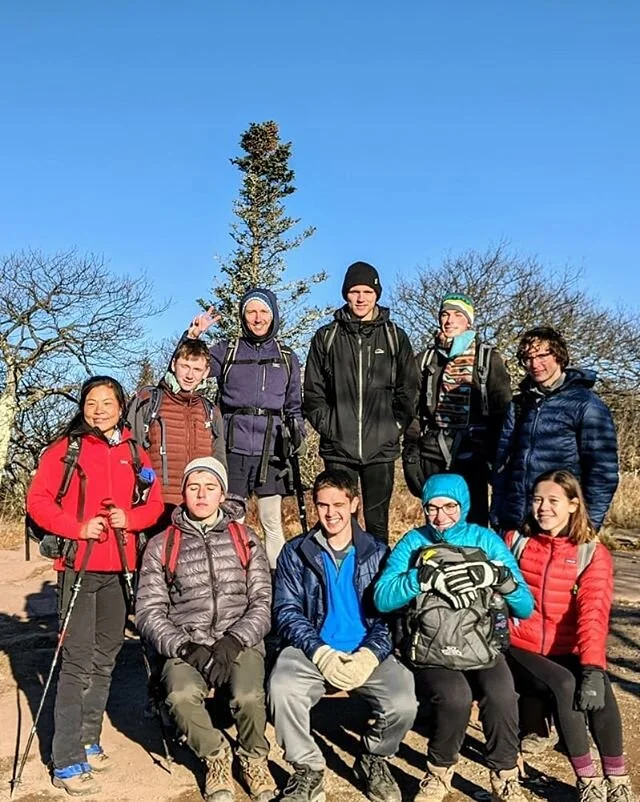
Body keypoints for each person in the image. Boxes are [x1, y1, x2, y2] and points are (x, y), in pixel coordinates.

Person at [26, 376, 164, 796]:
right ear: (83, 406)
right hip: (78, 565)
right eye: (91, 402)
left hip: (121, 566)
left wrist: (132, 519)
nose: (99, 409)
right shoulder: (65, 449)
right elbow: (38, 501)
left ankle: (88, 739)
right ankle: (65, 759)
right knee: (77, 661)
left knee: (106, 657)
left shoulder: (134, 451)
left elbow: (154, 501)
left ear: (122, 408)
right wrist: (77, 527)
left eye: (107, 402)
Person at [374, 473, 534, 802]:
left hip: (482, 643)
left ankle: (504, 774)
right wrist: (421, 579)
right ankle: (439, 772)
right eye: (431, 508)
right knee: (455, 697)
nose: (441, 517)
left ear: (465, 505)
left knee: (502, 694)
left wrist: (498, 576)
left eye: (450, 506)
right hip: (432, 646)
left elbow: (525, 607)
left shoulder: (486, 540)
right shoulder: (413, 542)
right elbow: (382, 597)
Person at [269, 468, 417, 802]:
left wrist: (370, 654)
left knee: (404, 701)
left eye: (338, 504)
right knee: (281, 688)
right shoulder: (296, 552)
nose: (330, 513)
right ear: (315, 505)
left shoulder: (379, 553)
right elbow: (287, 611)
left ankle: (374, 757)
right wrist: (319, 651)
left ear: (354, 504)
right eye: (322, 505)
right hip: (311, 649)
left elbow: (389, 613)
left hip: (366, 649)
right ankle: (308, 769)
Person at [136, 456, 276, 802]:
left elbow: (262, 601)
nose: (201, 494)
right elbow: (149, 612)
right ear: (183, 492)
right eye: (193, 487)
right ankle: (215, 756)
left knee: (249, 697)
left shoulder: (245, 538)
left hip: (239, 641)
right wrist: (184, 647)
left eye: (210, 487)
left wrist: (233, 641)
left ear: (222, 494)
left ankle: (254, 757)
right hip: (187, 643)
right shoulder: (161, 545)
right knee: (180, 696)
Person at [505, 470, 636, 802]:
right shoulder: (515, 542)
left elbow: (593, 613)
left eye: (553, 501)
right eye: (537, 500)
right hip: (521, 645)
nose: (543, 508)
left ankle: (618, 779)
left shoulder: (591, 553)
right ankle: (587, 781)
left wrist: (592, 667)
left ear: (573, 505)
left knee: (599, 686)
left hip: (566, 648)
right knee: (565, 685)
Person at [185, 287, 305, 570]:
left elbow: (295, 405)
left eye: (264, 311)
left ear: (274, 316)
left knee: (271, 521)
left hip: (273, 451)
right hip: (232, 450)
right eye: (251, 311)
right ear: (243, 315)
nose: (257, 318)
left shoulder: (287, 357)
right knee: (231, 519)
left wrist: (297, 432)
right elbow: (186, 372)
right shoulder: (227, 350)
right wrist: (192, 337)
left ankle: (279, 583)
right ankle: (232, 579)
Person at [303, 261, 417, 543]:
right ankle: (342, 584)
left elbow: (409, 389)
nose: (361, 298)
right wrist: (330, 428)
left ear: (376, 294)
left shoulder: (394, 337)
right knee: (339, 523)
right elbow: (313, 392)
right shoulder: (326, 337)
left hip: (381, 448)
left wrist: (395, 426)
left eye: (367, 291)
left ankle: (377, 584)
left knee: (378, 525)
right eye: (354, 291)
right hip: (339, 449)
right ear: (345, 294)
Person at [491, 326, 618, 532]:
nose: (535, 364)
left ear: (559, 356)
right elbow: (502, 467)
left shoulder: (587, 406)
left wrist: (588, 526)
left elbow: (602, 473)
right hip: (515, 523)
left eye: (542, 356)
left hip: (561, 525)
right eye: (528, 358)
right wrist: (497, 514)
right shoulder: (519, 405)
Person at [402, 293, 511, 525]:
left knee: (474, 520)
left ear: (468, 322)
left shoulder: (488, 359)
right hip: (433, 452)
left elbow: (502, 410)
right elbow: (412, 407)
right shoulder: (425, 359)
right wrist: (411, 448)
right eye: (445, 314)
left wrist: (496, 453)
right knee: (437, 519)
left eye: (457, 315)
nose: (449, 320)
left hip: (474, 453)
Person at [126, 337, 225, 519]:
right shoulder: (148, 401)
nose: (190, 375)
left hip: (197, 509)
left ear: (206, 372)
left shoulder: (210, 410)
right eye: (185, 366)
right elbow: (130, 451)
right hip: (156, 506)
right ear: (173, 364)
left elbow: (219, 463)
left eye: (197, 369)